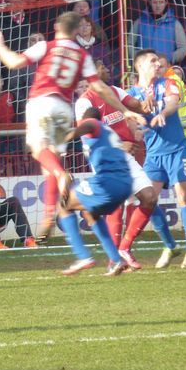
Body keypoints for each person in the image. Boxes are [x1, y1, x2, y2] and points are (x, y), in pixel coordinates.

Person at [0, 11, 146, 238]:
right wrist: (125, 110)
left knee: (39, 151)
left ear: (55, 26)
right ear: (75, 32)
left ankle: (62, 176)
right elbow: (100, 88)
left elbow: (14, 63)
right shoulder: (82, 55)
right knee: (49, 163)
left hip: (41, 101)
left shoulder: (46, 46)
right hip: (64, 106)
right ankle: (48, 216)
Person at [74, 63, 158, 270]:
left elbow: (137, 106)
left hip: (127, 157)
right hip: (106, 160)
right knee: (115, 206)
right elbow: (88, 135)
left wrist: (146, 103)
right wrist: (119, 145)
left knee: (149, 197)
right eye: (102, 66)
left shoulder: (115, 91)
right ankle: (114, 260)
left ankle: (124, 248)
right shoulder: (85, 102)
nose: (107, 68)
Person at [127, 49, 186, 269]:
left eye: (158, 60)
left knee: (183, 197)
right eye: (152, 61)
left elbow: (173, 103)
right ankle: (170, 245)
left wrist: (162, 114)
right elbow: (129, 117)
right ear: (139, 66)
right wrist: (135, 130)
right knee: (148, 199)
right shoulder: (132, 93)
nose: (157, 64)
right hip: (154, 154)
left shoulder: (167, 83)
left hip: (176, 148)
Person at [57, 108, 132, 276]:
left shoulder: (93, 123)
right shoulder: (107, 131)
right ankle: (116, 260)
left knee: (63, 205)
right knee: (91, 213)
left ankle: (83, 256)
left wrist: (64, 136)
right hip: (125, 184)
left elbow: (86, 127)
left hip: (108, 182)